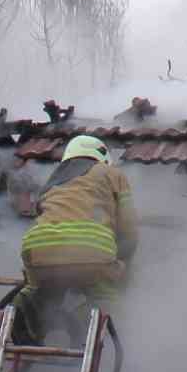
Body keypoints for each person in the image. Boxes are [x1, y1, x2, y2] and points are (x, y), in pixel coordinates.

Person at [11, 135, 138, 344]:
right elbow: (129, 229)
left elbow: (43, 215)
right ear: (102, 157)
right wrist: (122, 263)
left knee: (39, 289)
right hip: (90, 247)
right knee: (107, 294)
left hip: (38, 246)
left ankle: (22, 318)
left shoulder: (53, 180)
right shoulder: (113, 174)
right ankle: (82, 319)